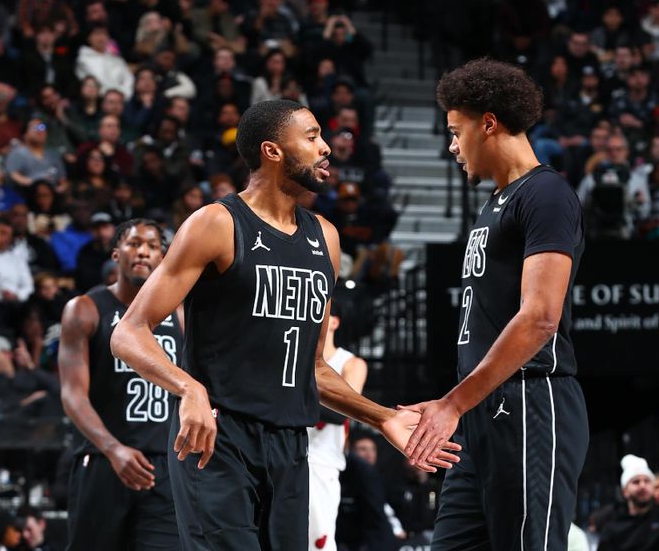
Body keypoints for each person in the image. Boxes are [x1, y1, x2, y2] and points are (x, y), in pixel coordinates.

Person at [110, 99, 460, 550]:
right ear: (273, 151)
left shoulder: (325, 238)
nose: (326, 148)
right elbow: (129, 332)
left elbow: (312, 368)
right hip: (219, 438)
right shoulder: (216, 223)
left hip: (293, 445)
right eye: (312, 137)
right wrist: (188, 389)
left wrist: (384, 418)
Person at [399, 59, 587, 550]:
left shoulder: (546, 194)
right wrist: (461, 405)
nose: (452, 146)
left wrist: (452, 403)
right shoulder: (496, 202)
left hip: (531, 401)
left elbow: (541, 318)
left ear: (489, 123)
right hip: (481, 411)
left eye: (457, 131)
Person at [58, 218, 183, 550]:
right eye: (133, 243)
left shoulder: (182, 315)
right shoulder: (85, 309)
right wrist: (113, 449)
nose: (142, 252)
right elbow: (72, 394)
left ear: (162, 257)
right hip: (103, 460)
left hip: (164, 468)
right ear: (116, 254)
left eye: (152, 246)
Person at [307, 296, 368, 551]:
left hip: (323, 459)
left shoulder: (351, 363)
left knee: (320, 539)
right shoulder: (298, 359)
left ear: (334, 322)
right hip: (287, 451)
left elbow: (343, 411)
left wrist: (288, 398)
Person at [597, 454, 659, 550]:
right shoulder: (612, 529)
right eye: (636, 482)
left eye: (647, 481)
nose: (642, 485)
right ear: (625, 492)